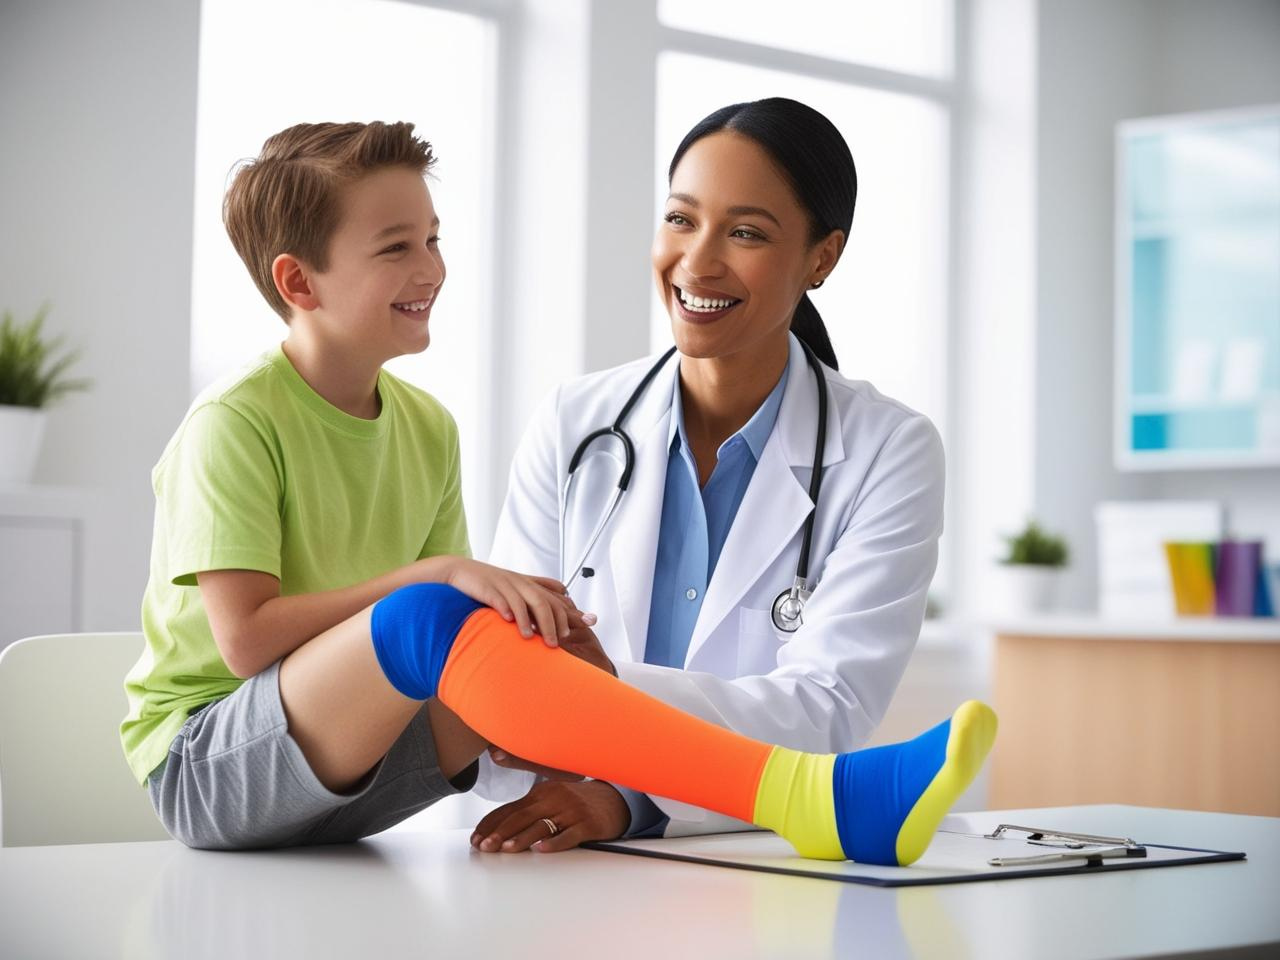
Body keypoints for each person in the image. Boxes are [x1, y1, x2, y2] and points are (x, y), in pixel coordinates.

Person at [119, 117, 993, 865]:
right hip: (216, 761)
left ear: (821, 257)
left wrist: (607, 771)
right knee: (441, 619)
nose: (432, 267)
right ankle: (820, 800)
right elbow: (246, 647)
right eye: (397, 248)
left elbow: (487, 666)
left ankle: (818, 792)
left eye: (433, 239)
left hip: (361, 776)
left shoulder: (427, 428)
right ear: (298, 282)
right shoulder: (236, 423)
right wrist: (447, 589)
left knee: (485, 633)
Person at [477, 97, 949, 851]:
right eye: (681, 219)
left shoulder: (889, 450)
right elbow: (507, 684)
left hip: (749, 867)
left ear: (821, 258)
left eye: (747, 233)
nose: (697, 261)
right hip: (552, 857)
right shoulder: (574, 424)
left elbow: (823, 711)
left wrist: (623, 780)